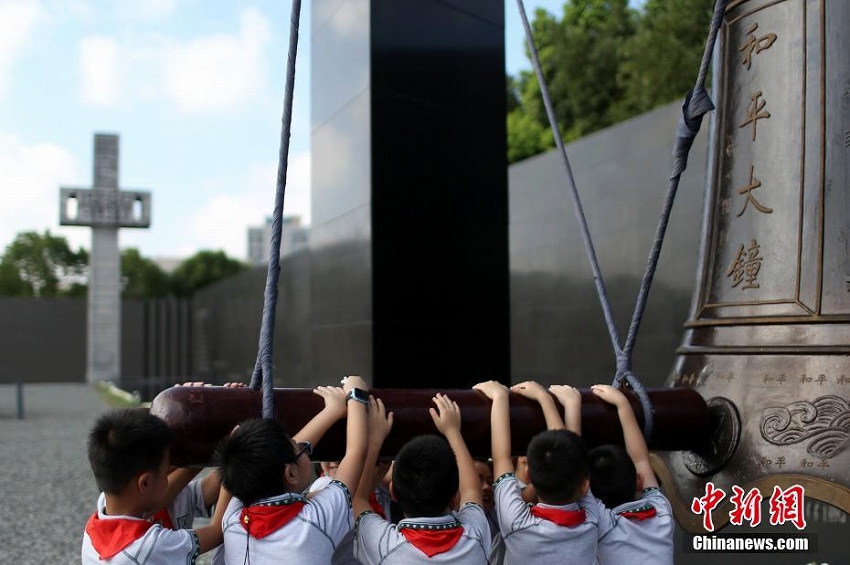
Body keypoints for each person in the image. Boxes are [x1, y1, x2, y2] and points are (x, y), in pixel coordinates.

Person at [216, 376, 369, 564]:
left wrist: (331, 412)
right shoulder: (316, 520)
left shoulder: (233, 519)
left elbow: (273, 459)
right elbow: (356, 452)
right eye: (300, 448)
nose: (304, 446)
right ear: (290, 474)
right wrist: (356, 393)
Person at [474, 380, 611, 565]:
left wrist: (500, 397)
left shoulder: (517, 522)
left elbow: (501, 457)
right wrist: (548, 401)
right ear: (585, 485)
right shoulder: (591, 519)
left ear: (528, 475)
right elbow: (572, 457)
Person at [353, 393, 491, 564]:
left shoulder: (384, 545)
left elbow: (358, 498)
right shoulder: (474, 535)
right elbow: (471, 490)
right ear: (455, 497)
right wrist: (453, 431)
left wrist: (374, 439)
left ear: (392, 492)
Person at [81, 408, 231, 564]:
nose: (172, 472)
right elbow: (216, 532)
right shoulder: (150, 546)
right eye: (166, 470)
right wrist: (233, 456)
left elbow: (198, 489)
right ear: (145, 483)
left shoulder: (105, 507)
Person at [589, 384, 674, 565]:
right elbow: (641, 460)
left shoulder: (600, 522)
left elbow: (640, 462)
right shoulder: (659, 511)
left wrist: (570, 405)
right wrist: (623, 405)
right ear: (639, 481)